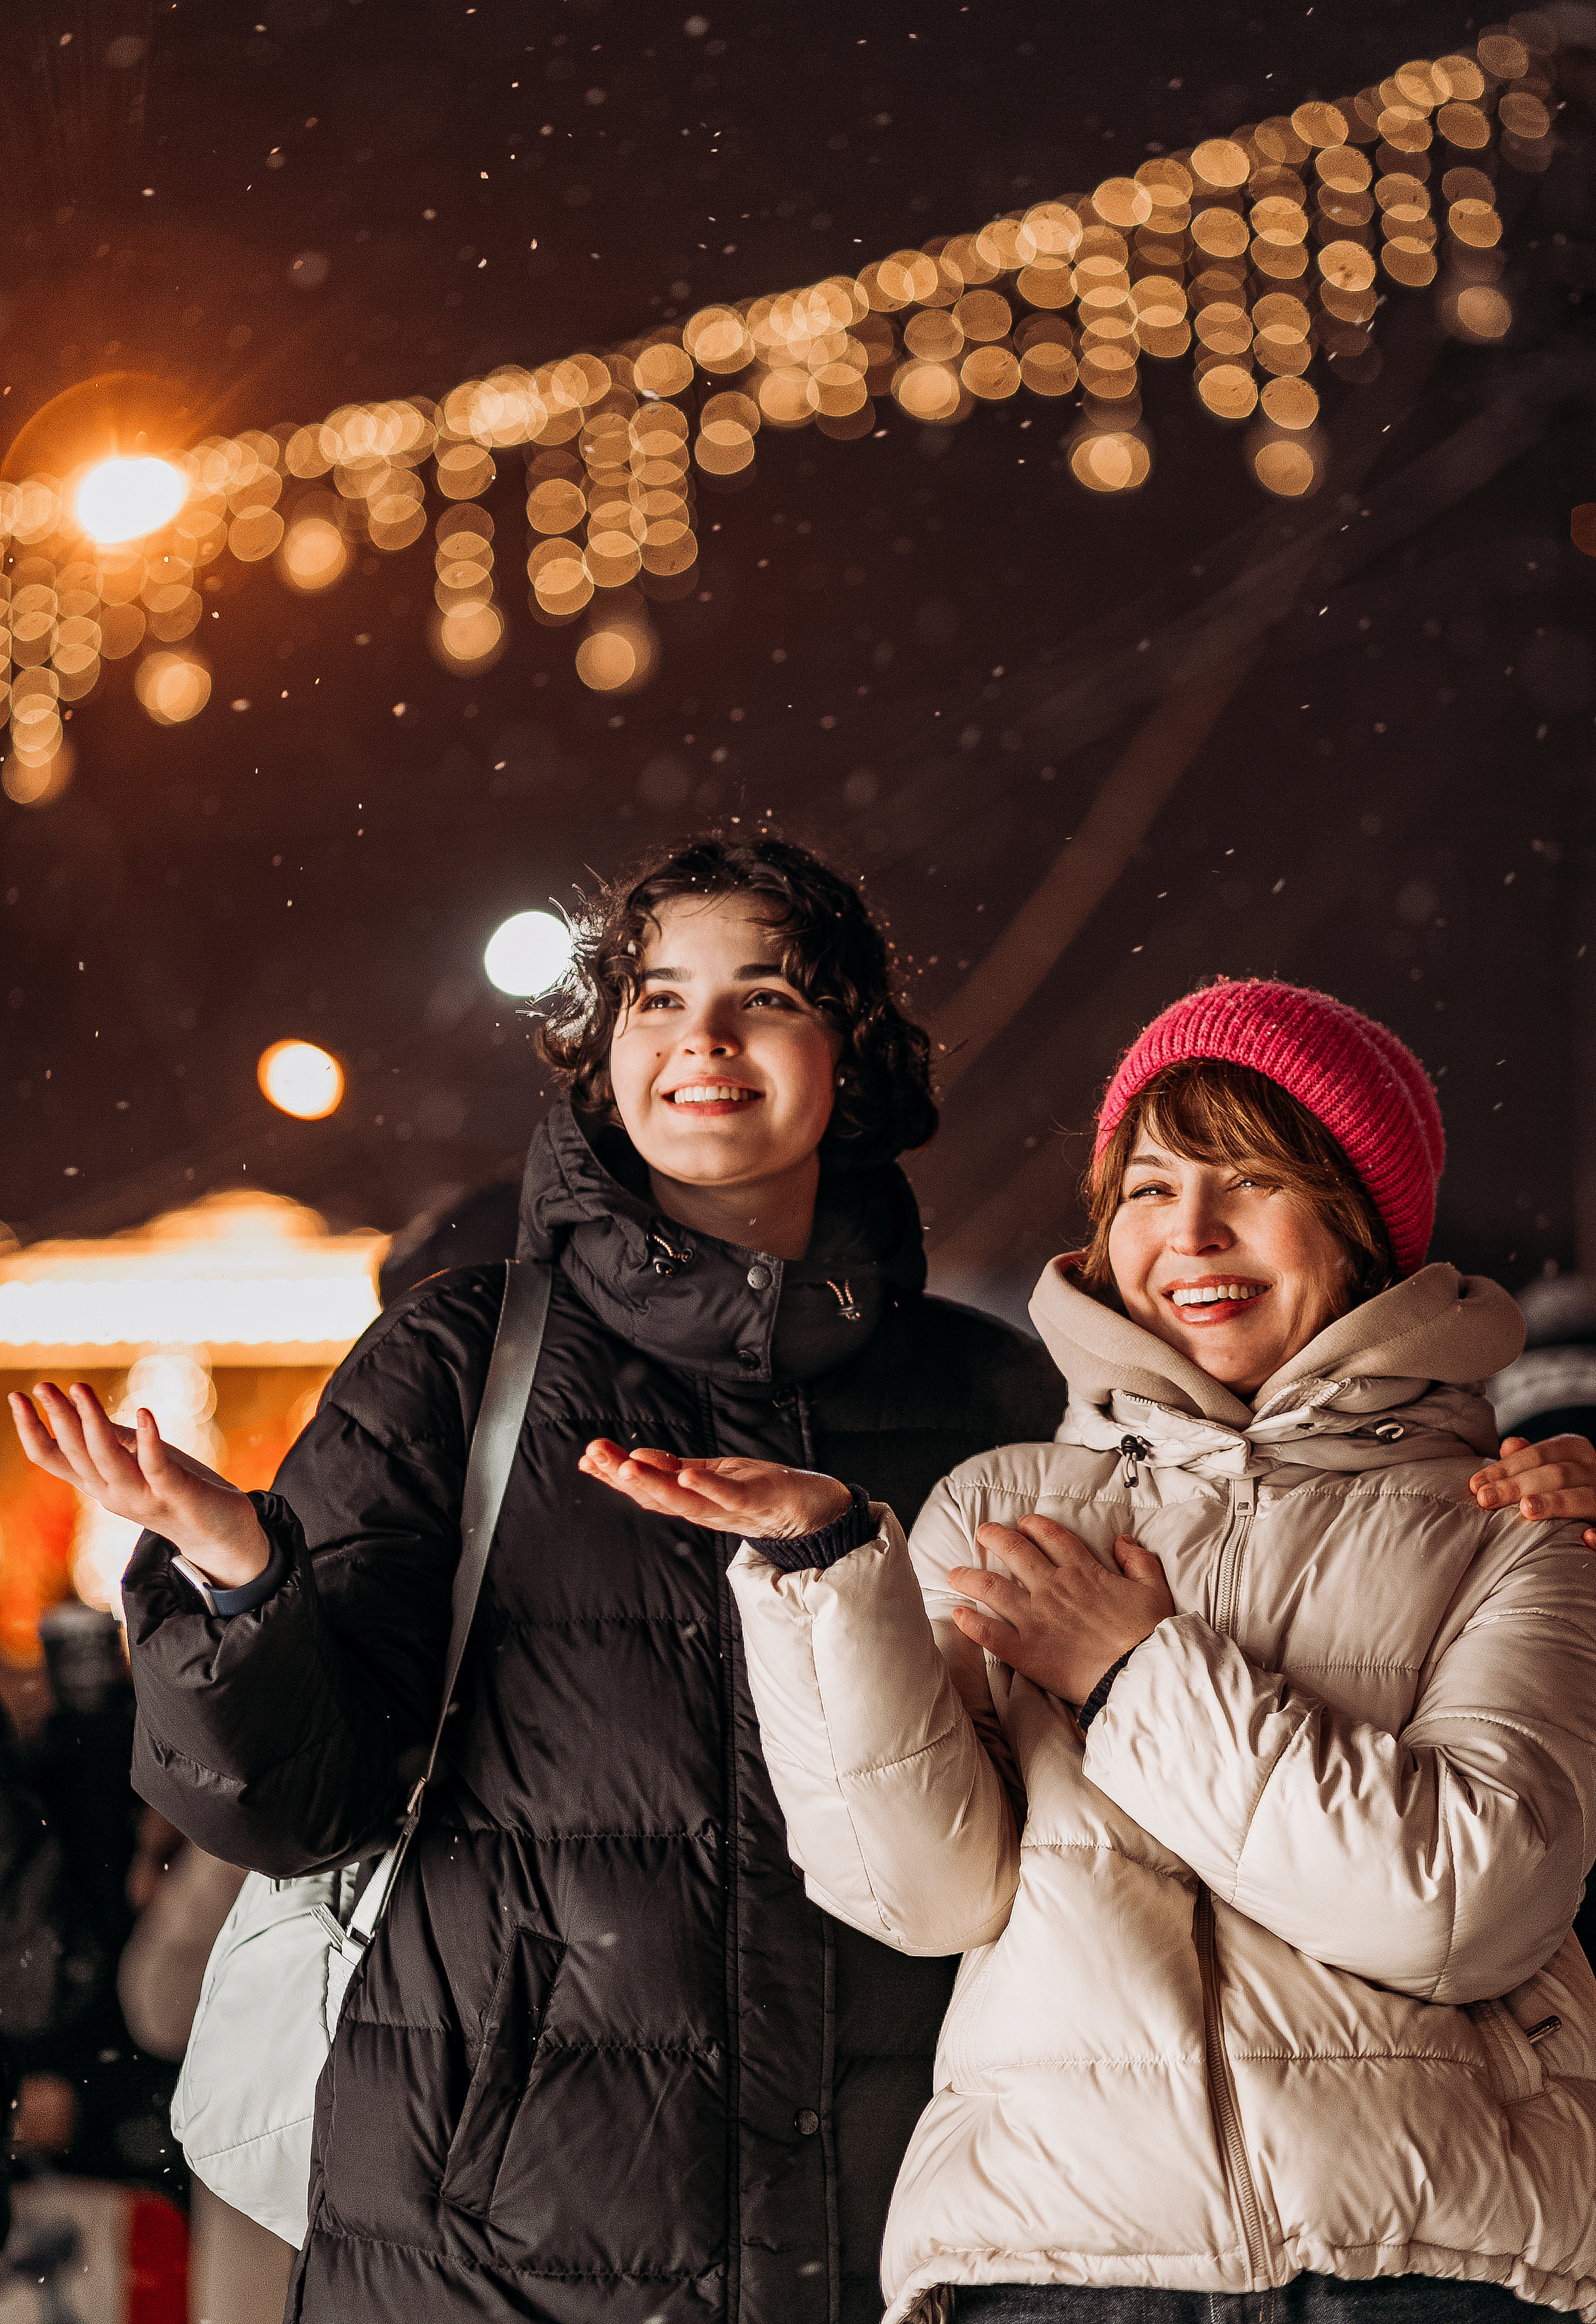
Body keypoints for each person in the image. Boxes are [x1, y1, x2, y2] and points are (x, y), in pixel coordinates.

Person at [7, 836, 1070, 2324]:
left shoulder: (996, 1394)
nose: (700, 1042)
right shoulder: (463, 1363)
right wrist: (240, 1574)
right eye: (655, 1000)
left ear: (851, 1052)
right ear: (601, 1049)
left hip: (901, 2226)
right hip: (491, 2243)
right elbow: (295, 1804)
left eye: (761, 996)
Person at [584, 978, 1596, 2324]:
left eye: (1248, 1180)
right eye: (1145, 1187)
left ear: (1356, 1220)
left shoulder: (1514, 1521)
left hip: (1432, 2260)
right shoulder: (1004, 1510)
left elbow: (1460, 1909)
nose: (1188, 1233)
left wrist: (1134, 1673)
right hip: (1058, 2260)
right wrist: (821, 1576)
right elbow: (924, 1896)